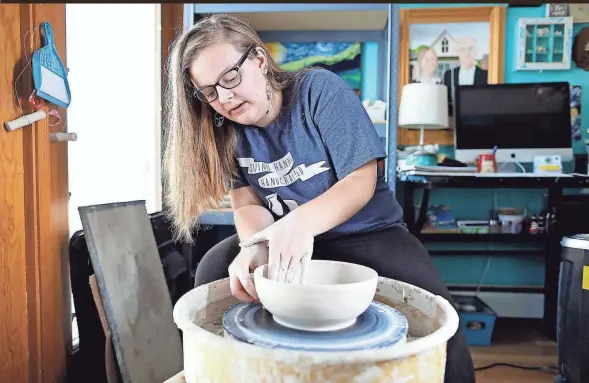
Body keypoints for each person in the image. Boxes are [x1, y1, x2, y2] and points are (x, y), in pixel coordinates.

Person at [163, 13, 475, 383]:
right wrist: (255, 245)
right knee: (216, 265)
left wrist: (298, 225)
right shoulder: (226, 131)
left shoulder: (319, 91)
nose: (225, 97)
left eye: (231, 77)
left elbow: (361, 180)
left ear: (259, 61)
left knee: (439, 318)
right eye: (210, 92)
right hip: (285, 238)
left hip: (367, 232)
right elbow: (247, 203)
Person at [443, 36, 488, 116]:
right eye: (462, 49)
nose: (466, 53)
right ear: (457, 52)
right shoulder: (449, 75)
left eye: (470, 49)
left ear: (476, 52)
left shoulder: (485, 75)